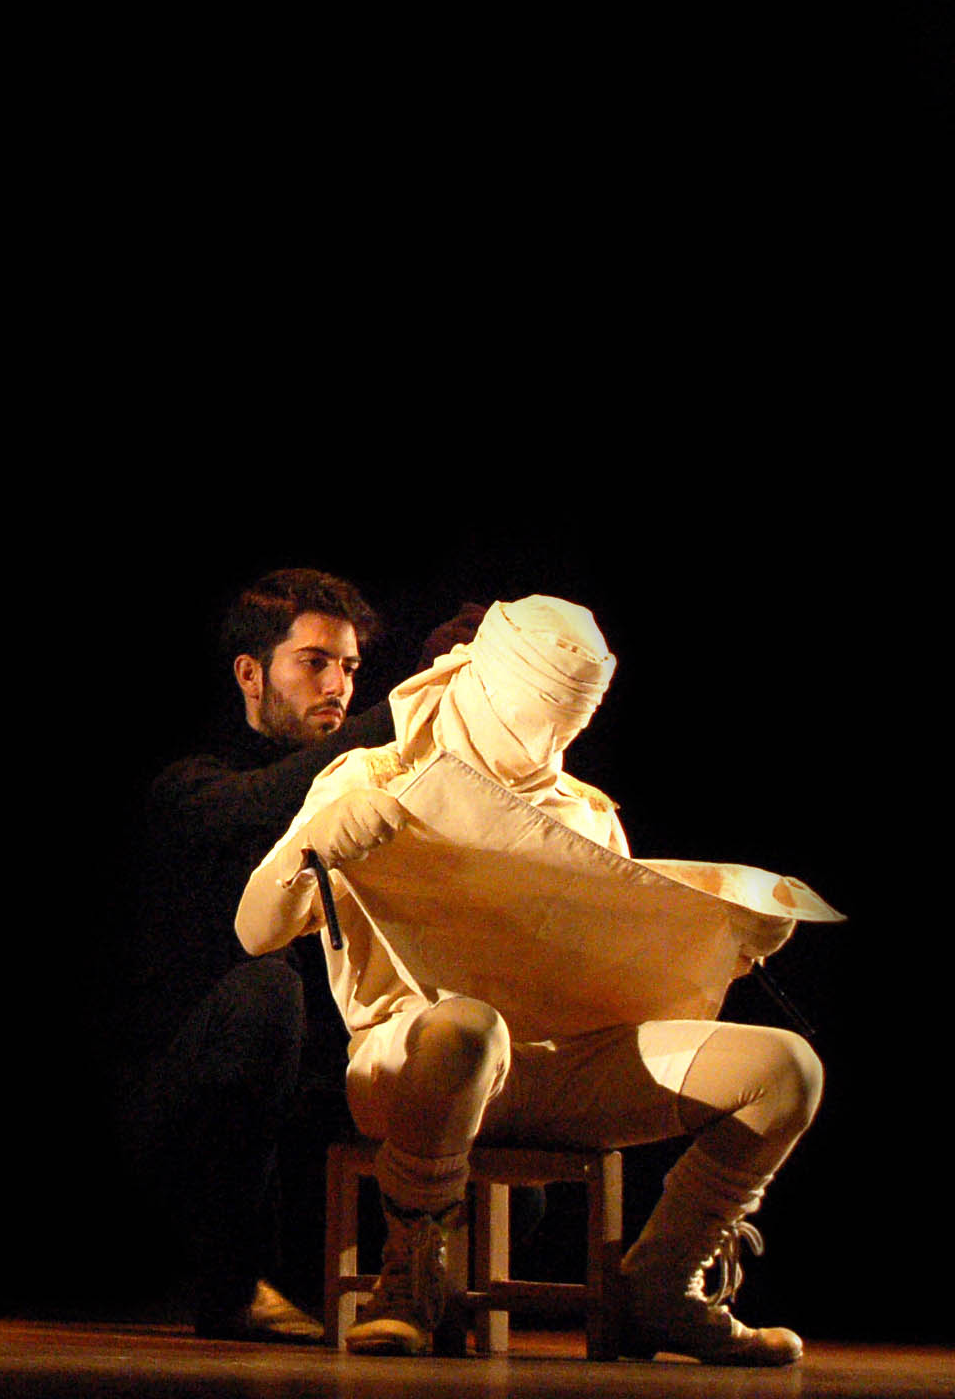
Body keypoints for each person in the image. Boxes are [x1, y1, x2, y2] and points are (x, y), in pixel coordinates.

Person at [235, 595, 822, 1365]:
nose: (550, 737)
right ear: (486, 683)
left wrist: (729, 942)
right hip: (415, 1062)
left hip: (563, 1070)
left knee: (785, 1068)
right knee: (468, 1027)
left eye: (570, 721)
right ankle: (410, 1274)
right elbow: (256, 932)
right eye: (537, 711)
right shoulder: (376, 776)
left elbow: (623, 972)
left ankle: (663, 1283)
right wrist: (311, 848)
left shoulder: (585, 813)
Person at [124, 567, 391, 1343]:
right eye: (315, 663)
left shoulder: (350, 790)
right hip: (187, 1096)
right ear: (251, 674)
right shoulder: (193, 785)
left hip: (304, 1102)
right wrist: (400, 714)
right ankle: (230, 1285)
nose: (337, 686)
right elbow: (266, 803)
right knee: (265, 994)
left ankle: (417, 1290)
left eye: (349, 668)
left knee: (453, 1070)